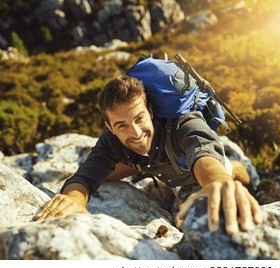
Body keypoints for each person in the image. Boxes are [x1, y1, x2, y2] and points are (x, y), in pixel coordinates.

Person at [35, 75, 262, 235]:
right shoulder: (111, 139)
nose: (134, 132)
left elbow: (203, 152)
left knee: (195, 207)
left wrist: (220, 181)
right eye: (121, 125)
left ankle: (239, 168)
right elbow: (85, 175)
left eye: (139, 118)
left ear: (150, 111)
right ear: (110, 127)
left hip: (196, 173)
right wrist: (74, 199)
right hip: (159, 170)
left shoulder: (184, 124)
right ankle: (140, 168)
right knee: (107, 172)